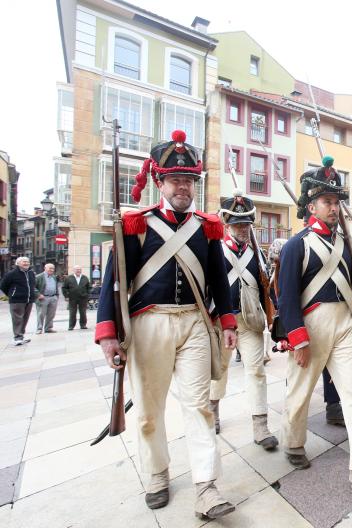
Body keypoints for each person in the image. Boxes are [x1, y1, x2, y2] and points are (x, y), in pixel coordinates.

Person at [95, 130, 238, 519]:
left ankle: (206, 486)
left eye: (189, 180)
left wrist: (227, 320)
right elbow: (114, 281)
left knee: (199, 407)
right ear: (158, 182)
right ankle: (157, 472)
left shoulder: (207, 227)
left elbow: (218, 279)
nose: (183, 187)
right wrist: (108, 333)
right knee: (148, 411)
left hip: (193, 322)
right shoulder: (136, 224)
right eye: (175, 179)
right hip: (148, 323)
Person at [277, 161, 352, 498]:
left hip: (345, 324)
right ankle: (293, 441)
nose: (333, 208)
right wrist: (297, 339)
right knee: (299, 393)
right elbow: (287, 297)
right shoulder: (297, 245)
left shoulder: (347, 243)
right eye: (326, 202)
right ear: (311, 207)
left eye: (336, 202)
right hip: (311, 326)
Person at [208, 193, 278, 451]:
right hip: (220, 321)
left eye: (246, 224)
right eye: (238, 224)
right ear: (227, 224)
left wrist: (272, 316)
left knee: (256, 371)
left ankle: (260, 426)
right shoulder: (216, 249)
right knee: (219, 370)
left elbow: (264, 288)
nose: (243, 229)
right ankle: (213, 410)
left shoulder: (256, 253)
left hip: (250, 322)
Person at [0, 256, 37, 345]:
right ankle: (17, 337)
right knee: (17, 319)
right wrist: (12, 294)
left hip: (29, 300)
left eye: (27, 262)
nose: (26, 263)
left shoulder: (31, 273)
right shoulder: (11, 274)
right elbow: (3, 286)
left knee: (25, 319)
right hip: (17, 300)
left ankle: (21, 336)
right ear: (18, 263)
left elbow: (33, 285)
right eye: (24, 262)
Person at [63, 265, 90, 330]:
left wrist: (87, 295)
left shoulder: (85, 278)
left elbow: (89, 287)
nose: (78, 271)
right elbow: (64, 288)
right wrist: (66, 296)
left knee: (83, 312)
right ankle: (71, 326)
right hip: (72, 298)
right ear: (73, 270)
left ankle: (83, 325)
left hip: (83, 298)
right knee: (72, 312)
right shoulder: (68, 278)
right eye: (77, 269)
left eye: (79, 269)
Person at [35, 263, 59, 334]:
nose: (52, 270)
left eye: (53, 268)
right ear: (45, 268)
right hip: (43, 298)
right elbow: (32, 287)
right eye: (50, 268)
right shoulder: (39, 277)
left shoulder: (54, 277)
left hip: (53, 297)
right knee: (41, 314)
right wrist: (38, 294)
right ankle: (39, 328)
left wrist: (56, 296)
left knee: (51, 314)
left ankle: (48, 328)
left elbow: (56, 286)